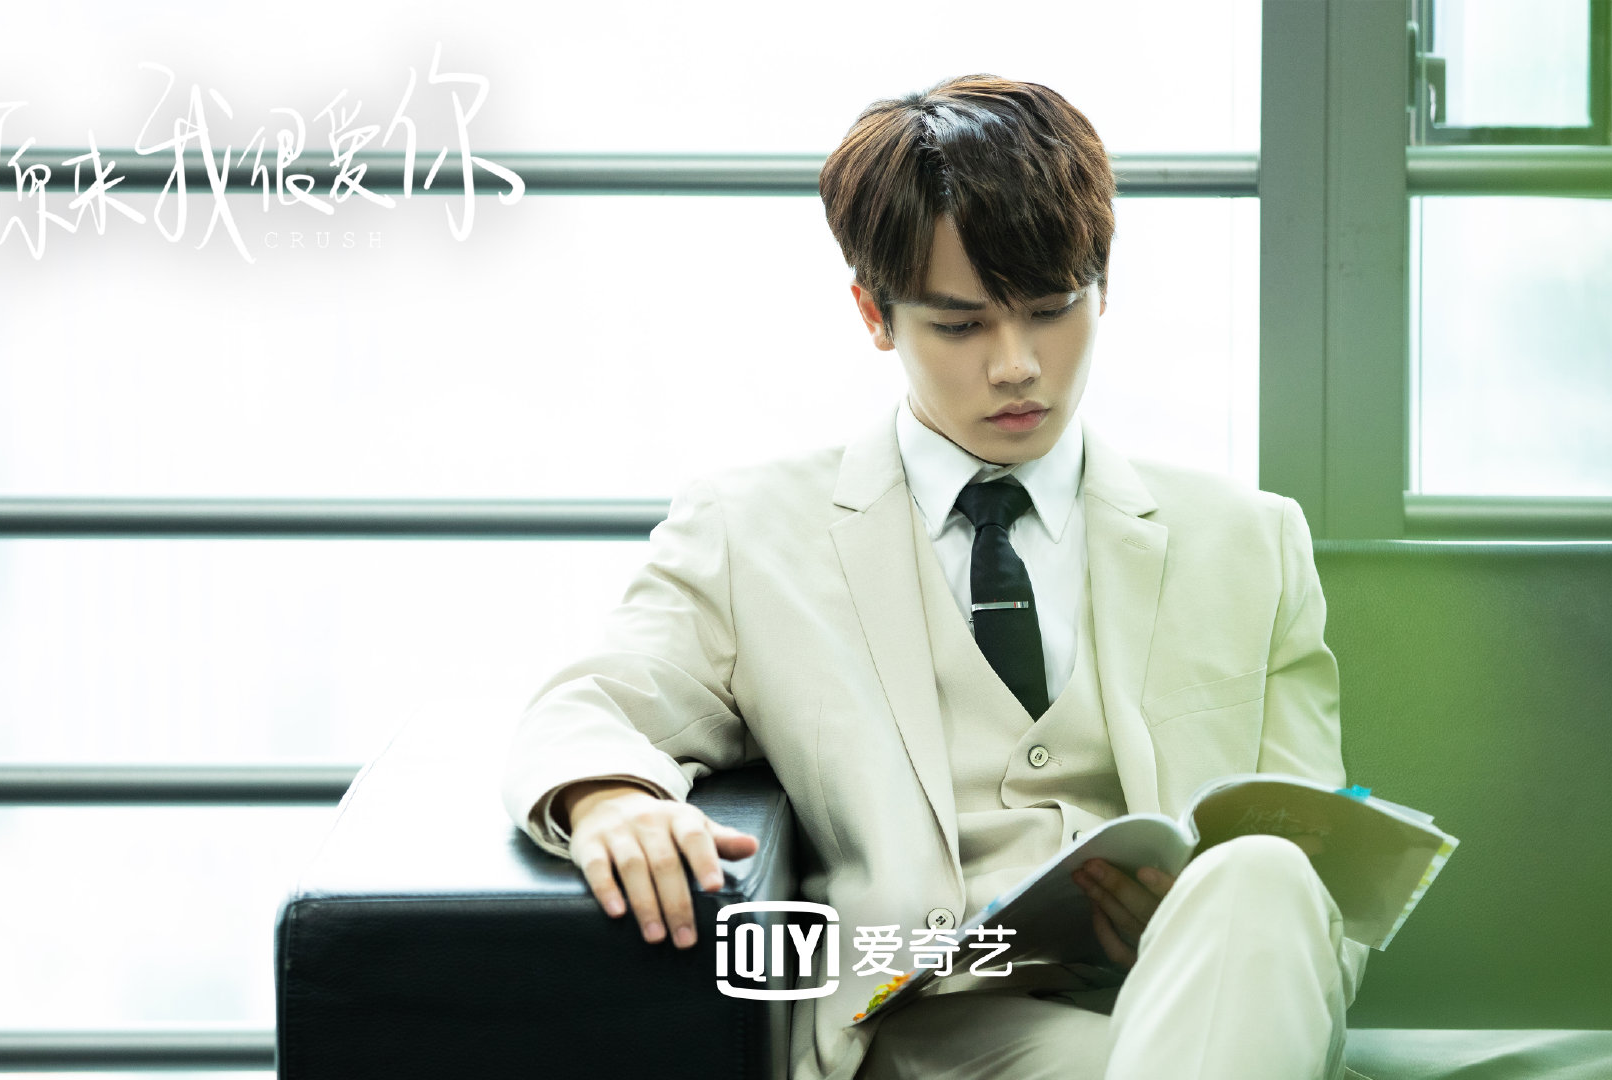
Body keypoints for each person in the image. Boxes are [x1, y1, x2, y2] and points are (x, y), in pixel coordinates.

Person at [500, 73, 1368, 1080]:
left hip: (1183, 1010)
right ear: (875, 314)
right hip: (932, 1040)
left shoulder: (1251, 541)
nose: (1017, 366)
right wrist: (610, 799)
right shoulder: (752, 531)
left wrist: (1200, 925)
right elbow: (591, 704)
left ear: (1103, 289)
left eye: (1052, 310)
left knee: (1264, 872)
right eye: (961, 325)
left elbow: (1331, 889)